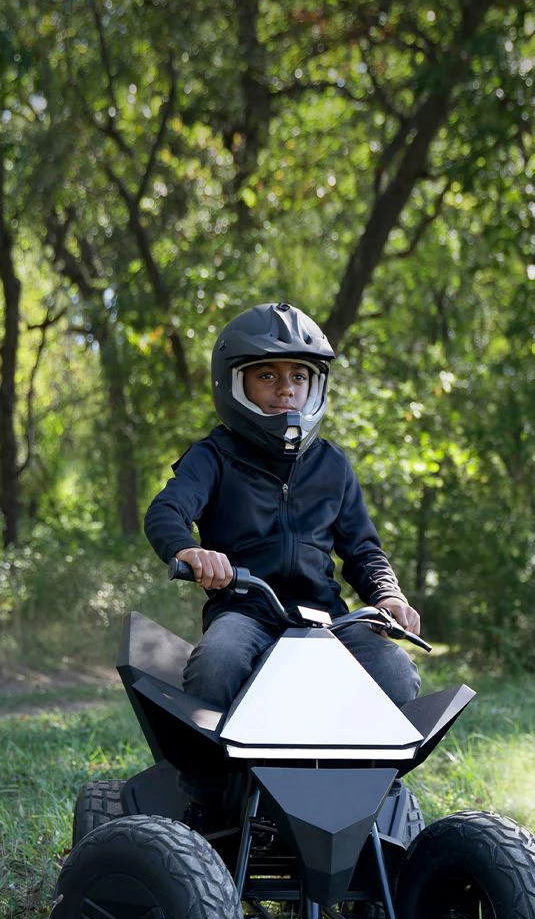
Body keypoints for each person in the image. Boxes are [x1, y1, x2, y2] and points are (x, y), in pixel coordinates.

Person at [144, 300, 424, 731]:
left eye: (299, 376)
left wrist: (388, 597)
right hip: (245, 611)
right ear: (234, 383)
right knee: (215, 664)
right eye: (268, 375)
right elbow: (166, 510)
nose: (286, 389)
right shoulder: (213, 456)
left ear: (316, 385)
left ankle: (364, 789)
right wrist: (190, 550)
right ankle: (209, 789)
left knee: (397, 676)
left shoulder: (332, 464)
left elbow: (363, 550)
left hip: (328, 618)